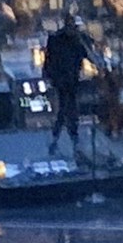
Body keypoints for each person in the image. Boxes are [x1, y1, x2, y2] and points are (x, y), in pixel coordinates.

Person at [43, 16, 91, 148]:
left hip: (73, 78)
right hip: (60, 78)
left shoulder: (79, 40)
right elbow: (49, 60)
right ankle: (60, 133)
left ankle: (70, 132)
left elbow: (87, 54)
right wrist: (49, 76)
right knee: (64, 105)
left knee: (71, 105)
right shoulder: (56, 40)